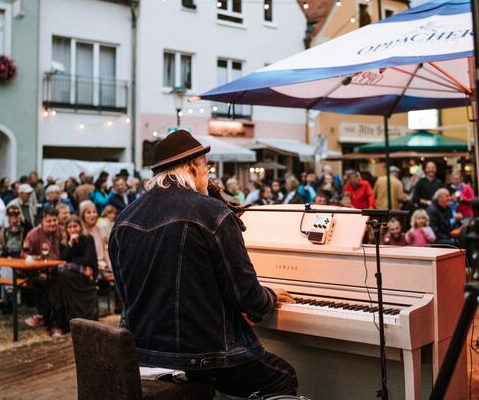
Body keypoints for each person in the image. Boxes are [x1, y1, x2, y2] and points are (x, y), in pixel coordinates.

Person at [109, 130, 297, 397]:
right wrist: (269, 296)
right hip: (203, 358)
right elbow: (247, 297)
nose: (208, 174)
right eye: (206, 167)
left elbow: (125, 291)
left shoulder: (124, 218)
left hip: (142, 353)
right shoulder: (213, 212)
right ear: (191, 167)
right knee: (282, 377)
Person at [50, 217, 99, 337]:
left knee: (60, 277)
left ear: (80, 227)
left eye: (75, 226)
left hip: (85, 275)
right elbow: (63, 259)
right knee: (56, 277)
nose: (72, 230)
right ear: (66, 229)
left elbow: (88, 259)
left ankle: (58, 323)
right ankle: (62, 322)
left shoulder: (88, 238)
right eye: (69, 227)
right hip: (69, 274)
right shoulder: (64, 241)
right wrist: (70, 245)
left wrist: (72, 263)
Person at [22, 207, 63, 328]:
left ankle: (48, 317)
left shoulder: (62, 231)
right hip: (38, 272)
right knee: (46, 282)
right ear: (42, 221)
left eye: (55, 220)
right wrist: (33, 261)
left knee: (59, 281)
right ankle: (45, 317)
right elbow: (24, 254)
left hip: (59, 270)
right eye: (49, 221)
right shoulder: (34, 234)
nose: (52, 223)